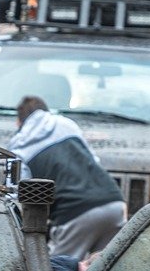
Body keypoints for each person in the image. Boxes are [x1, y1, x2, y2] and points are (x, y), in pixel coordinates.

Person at [9, 96, 126, 260]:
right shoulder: (66, 124)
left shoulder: (18, 146)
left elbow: (17, 195)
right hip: (113, 203)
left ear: (19, 122)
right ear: (45, 111)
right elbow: (94, 161)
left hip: (74, 214)